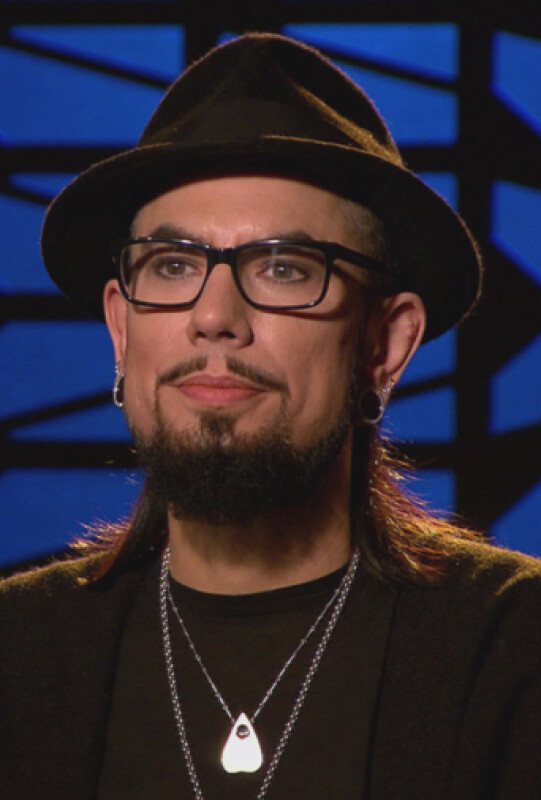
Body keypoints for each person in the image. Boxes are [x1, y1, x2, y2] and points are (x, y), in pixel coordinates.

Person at [1, 33, 540, 800]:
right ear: (121, 330)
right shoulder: (18, 650)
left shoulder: (513, 647)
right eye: (173, 266)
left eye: (284, 268)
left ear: (384, 345)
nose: (214, 317)